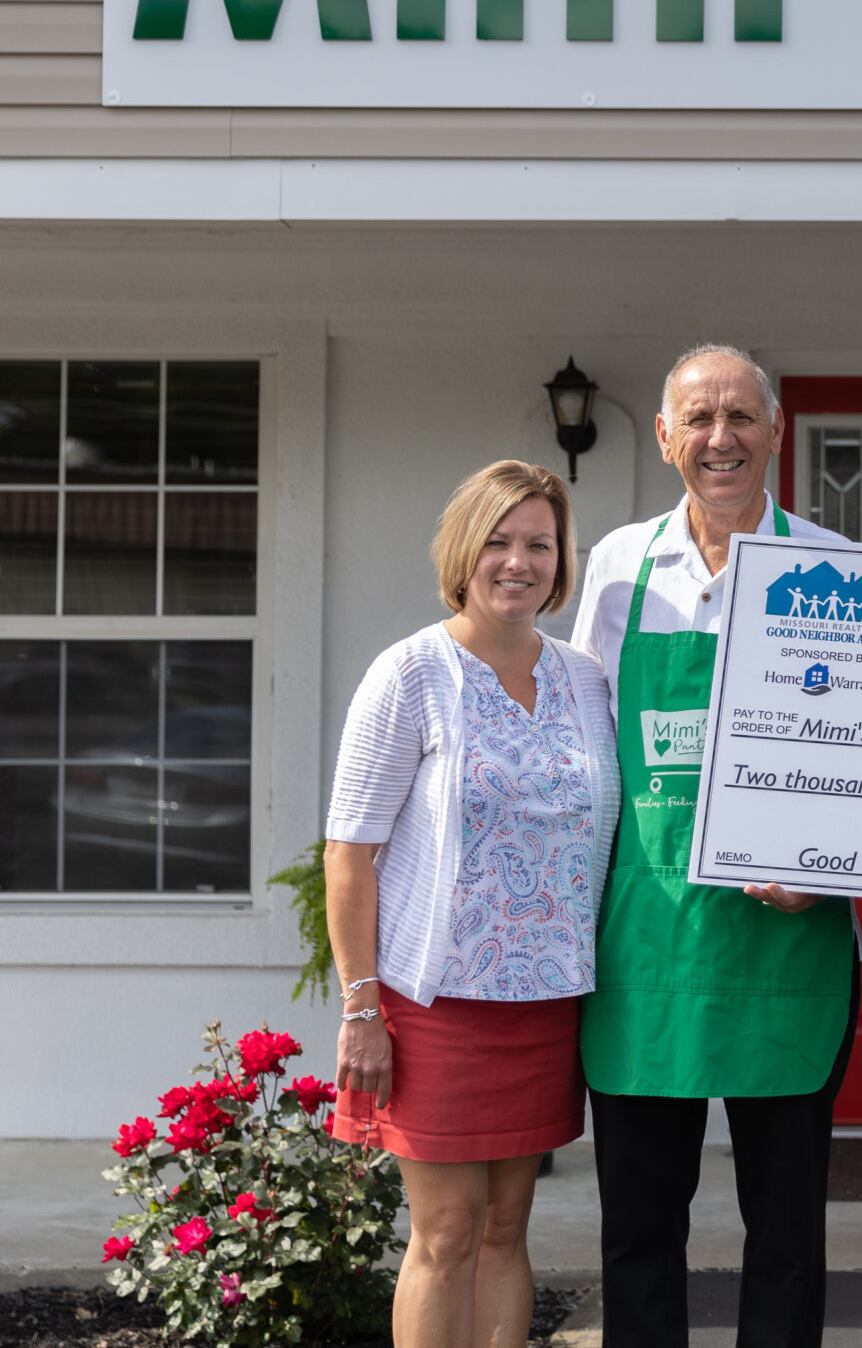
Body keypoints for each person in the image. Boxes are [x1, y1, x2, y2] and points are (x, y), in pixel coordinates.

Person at [570, 344, 858, 1348]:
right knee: (640, 1227)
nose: (720, 438)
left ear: (776, 433)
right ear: (663, 436)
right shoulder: (615, 566)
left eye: (741, 417)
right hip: (644, 942)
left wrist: (826, 868)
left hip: (790, 947)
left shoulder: (839, 573)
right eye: (698, 418)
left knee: (785, 1232)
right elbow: (583, 748)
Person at [324, 460, 622, 1348]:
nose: (519, 561)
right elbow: (349, 852)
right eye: (498, 540)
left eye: (540, 542)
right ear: (463, 550)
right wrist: (362, 1004)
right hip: (436, 1002)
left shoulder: (584, 679)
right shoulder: (410, 672)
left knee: (506, 1229)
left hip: (546, 1003)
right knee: (447, 1233)